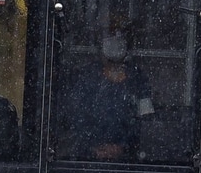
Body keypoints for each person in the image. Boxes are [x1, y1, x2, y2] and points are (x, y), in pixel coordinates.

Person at [61, 28, 154, 160]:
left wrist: (123, 146)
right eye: (110, 37)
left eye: (119, 37)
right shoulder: (86, 77)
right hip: (85, 160)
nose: (114, 42)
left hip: (129, 161)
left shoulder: (138, 79)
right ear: (100, 47)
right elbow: (76, 117)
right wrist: (93, 147)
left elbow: (145, 121)